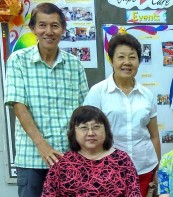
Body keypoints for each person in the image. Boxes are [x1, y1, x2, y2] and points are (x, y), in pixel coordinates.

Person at [4, 3, 89, 197]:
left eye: (55, 26)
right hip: (31, 158)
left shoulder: (74, 65)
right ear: (33, 29)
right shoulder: (18, 60)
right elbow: (19, 106)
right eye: (42, 25)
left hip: (68, 159)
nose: (48, 31)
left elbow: (84, 111)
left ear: (63, 30)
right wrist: (42, 146)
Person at [83, 33, 161, 197]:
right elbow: (86, 135)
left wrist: (157, 168)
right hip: (108, 171)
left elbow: (154, 135)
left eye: (132, 57)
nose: (127, 62)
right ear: (112, 60)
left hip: (144, 167)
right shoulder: (98, 92)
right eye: (121, 57)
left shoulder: (147, 94)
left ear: (139, 61)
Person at [41, 106, 142, 196]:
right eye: (84, 128)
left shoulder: (122, 160)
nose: (90, 133)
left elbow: (134, 193)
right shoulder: (62, 164)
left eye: (96, 127)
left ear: (106, 130)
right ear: (73, 132)